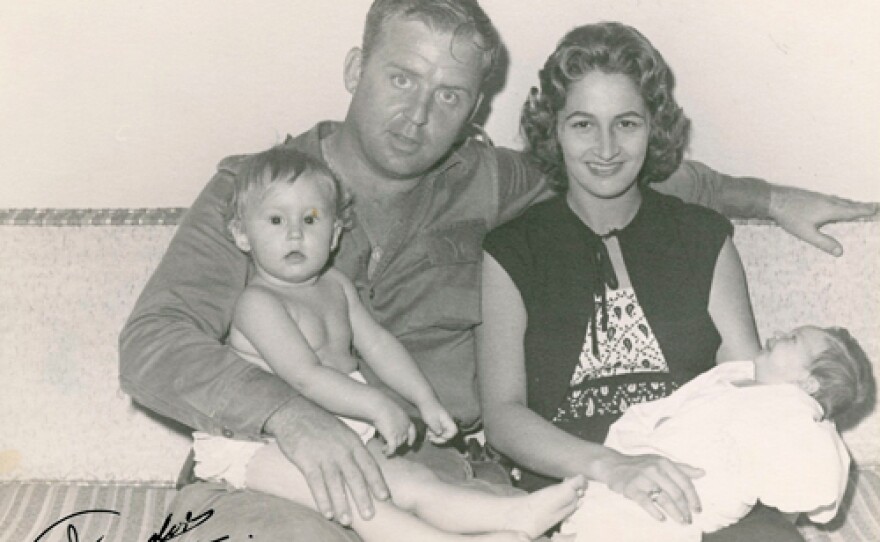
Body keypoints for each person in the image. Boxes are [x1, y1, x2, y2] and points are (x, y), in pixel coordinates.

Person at [119, 2, 876, 540]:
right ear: (356, 68)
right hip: (271, 462)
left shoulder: (492, 181)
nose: (420, 114)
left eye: (450, 94)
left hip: (440, 474)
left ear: (476, 107)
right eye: (402, 78)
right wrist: (292, 414)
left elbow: (621, 164)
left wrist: (770, 197)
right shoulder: (255, 191)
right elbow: (153, 343)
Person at [477, 21, 817, 542]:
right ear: (553, 128)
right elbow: (502, 416)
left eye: (627, 123)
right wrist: (613, 466)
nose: (607, 147)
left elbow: (749, 386)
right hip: (575, 491)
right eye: (583, 124)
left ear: (654, 127)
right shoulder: (513, 249)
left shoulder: (703, 236)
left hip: (697, 484)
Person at [191, 144, 586, 542]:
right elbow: (304, 377)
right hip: (258, 446)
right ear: (242, 234)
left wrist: (425, 400)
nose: (295, 232)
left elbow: (379, 345)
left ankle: (516, 513)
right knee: (363, 505)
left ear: (334, 235)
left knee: (413, 481)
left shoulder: (335, 286)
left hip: (338, 431)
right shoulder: (257, 303)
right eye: (276, 220)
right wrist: (376, 405)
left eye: (310, 219)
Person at [559, 325, 874, 541]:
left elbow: (818, 491)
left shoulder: (794, 413)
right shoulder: (733, 376)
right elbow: (666, 407)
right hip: (636, 460)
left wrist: (818, 423)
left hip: (679, 501)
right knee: (592, 508)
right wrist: (626, 440)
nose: (777, 334)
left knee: (631, 524)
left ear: (809, 384)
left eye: (792, 339)